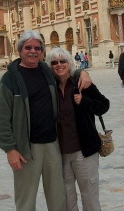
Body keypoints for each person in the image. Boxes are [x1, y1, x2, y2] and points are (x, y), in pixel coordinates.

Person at [0, 30, 92, 210]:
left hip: (52, 145)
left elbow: (65, 70)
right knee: (26, 199)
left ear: (41, 51)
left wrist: (83, 72)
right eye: (28, 47)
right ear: (20, 50)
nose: (33, 51)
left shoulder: (47, 71)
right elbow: (1, 119)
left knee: (58, 197)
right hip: (26, 148)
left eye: (37, 48)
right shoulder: (9, 80)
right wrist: (10, 149)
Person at [45, 47, 110, 210]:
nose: (59, 65)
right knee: (67, 200)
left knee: (89, 197)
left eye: (63, 61)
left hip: (84, 151)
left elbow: (104, 105)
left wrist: (85, 102)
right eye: (54, 62)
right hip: (61, 154)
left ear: (69, 62)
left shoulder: (81, 83)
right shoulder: (49, 88)